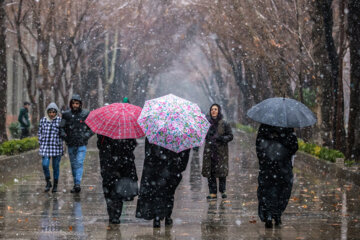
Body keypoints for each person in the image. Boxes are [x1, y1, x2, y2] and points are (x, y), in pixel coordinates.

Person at [136, 138, 190, 228]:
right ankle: (167, 215)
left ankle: (157, 217)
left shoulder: (154, 132)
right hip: (171, 167)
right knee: (168, 193)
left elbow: (148, 152)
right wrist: (179, 166)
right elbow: (184, 155)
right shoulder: (180, 134)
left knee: (157, 192)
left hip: (155, 167)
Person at [256, 124, 298, 228]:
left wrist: (265, 157)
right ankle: (275, 214)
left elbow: (259, 145)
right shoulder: (288, 127)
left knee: (269, 190)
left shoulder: (265, 126)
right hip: (281, 166)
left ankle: (271, 214)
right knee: (280, 190)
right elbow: (294, 147)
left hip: (270, 166)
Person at [97, 134, 138, 224]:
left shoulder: (105, 131)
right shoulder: (127, 131)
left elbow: (99, 145)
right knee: (118, 190)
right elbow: (132, 145)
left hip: (108, 164)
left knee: (109, 188)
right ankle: (116, 214)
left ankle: (112, 213)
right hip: (122, 164)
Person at [59, 94, 94, 193]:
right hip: (70, 144)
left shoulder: (86, 114)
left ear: (80, 104)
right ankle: (76, 184)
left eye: (77, 103)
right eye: (73, 103)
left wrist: (85, 136)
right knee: (73, 164)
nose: (75, 105)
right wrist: (65, 137)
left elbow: (92, 128)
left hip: (81, 144)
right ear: (71, 104)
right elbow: (61, 127)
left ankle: (78, 183)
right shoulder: (66, 115)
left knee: (79, 163)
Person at [202, 103, 233, 199]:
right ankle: (212, 192)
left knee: (221, 172)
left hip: (221, 152)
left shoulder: (224, 123)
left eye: (215, 109)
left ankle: (223, 190)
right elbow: (202, 135)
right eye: (212, 109)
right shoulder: (206, 123)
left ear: (218, 111)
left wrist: (222, 138)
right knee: (210, 171)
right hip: (209, 151)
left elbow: (230, 136)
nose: (213, 111)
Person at [38, 103, 63, 193]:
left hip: (56, 147)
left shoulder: (60, 121)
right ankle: (48, 182)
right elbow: (40, 132)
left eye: (53, 112)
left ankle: (55, 185)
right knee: (45, 165)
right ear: (47, 112)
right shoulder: (43, 120)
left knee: (56, 167)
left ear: (56, 112)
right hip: (45, 147)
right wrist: (40, 141)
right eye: (50, 112)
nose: (52, 114)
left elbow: (63, 133)